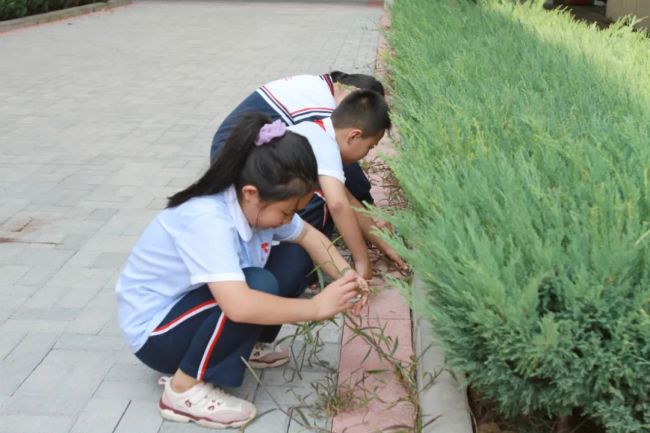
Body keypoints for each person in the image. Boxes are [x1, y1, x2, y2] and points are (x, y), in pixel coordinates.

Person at [116, 112, 367, 429]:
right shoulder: (208, 219)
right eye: (286, 211)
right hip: (156, 334)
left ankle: (242, 345)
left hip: (193, 307)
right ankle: (182, 389)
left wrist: (348, 278)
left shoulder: (257, 201)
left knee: (295, 257)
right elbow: (238, 304)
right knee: (256, 284)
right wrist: (317, 307)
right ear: (251, 193)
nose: (288, 218)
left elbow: (311, 237)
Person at [210, 71, 385, 205]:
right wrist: (368, 206)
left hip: (240, 148)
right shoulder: (326, 107)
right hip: (234, 156)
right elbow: (337, 161)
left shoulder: (322, 87)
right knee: (319, 195)